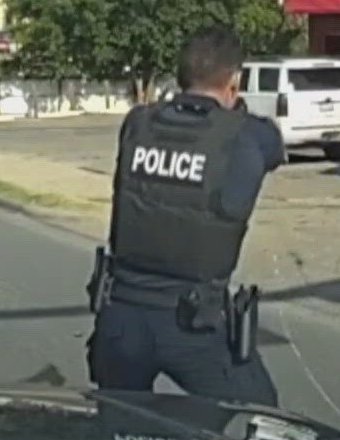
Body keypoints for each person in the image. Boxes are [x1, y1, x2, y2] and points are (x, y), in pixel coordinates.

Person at [86, 25, 286, 405]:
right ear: (235, 81)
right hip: (194, 325)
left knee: (115, 428)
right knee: (261, 423)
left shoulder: (138, 123)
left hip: (121, 317)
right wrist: (235, 105)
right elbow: (272, 144)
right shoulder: (245, 135)